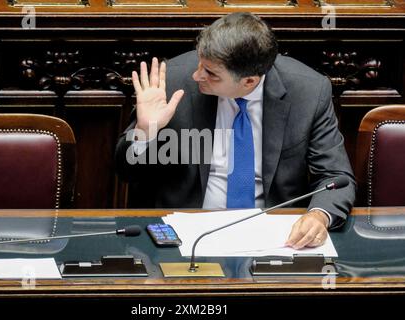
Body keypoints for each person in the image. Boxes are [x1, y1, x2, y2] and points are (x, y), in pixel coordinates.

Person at [115, 12, 356, 249]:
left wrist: (318, 216)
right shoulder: (172, 81)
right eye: (201, 64)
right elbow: (127, 174)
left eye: (210, 73)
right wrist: (145, 132)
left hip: (275, 237)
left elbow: (336, 177)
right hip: (186, 234)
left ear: (249, 81)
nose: (197, 75)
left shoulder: (308, 92)